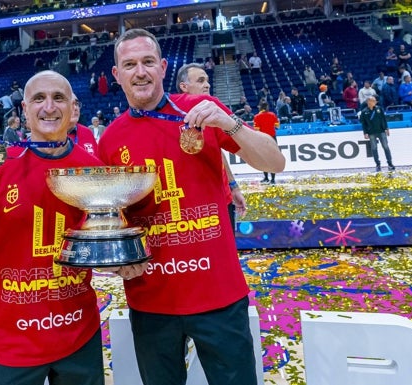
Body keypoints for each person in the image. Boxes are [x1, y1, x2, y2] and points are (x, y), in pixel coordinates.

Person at [100, 28, 285, 385]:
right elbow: (115, 219)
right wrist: (116, 258)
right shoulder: (110, 140)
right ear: (117, 74)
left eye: (148, 62)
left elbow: (274, 163)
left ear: (164, 67)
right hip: (151, 299)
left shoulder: (202, 111)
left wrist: (230, 125)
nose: (140, 71)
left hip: (219, 294)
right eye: (130, 64)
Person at [0, 70, 106, 385]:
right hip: (10, 343)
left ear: (73, 108)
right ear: (24, 110)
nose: (49, 107)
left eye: (58, 98)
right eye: (38, 99)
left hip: (79, 337)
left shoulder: (94, 170)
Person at [176, 62, 247, 231]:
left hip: (222, 198)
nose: (207, 85)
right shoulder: (172, 117)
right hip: (192, 205)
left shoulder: (212, 114)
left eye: (207, 80)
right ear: (184, 86)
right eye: (201, 81)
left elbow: (218, 153)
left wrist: (233, 186)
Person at [360, 95, 395, 172]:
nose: (375, 102)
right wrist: (365, 133)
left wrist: (387, 128)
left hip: (381, 131)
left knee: (386, 147)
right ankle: (378, 164)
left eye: (375, 101)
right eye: (373, 101)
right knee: (374, 148)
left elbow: (384, 119)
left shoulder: (379, 109)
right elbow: (363, 124)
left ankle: (390, 163)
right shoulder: (364, 112)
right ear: (369, 102)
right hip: (371, 132)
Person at [253, 101, 280, 185]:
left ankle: (266, 177)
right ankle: (273, 179)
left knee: (263, 158)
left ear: (260, 107)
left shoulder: (257, 117)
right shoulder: (272, 115)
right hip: (272, 138)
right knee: (273, 158)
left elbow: (256, 130)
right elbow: (277, 126)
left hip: (262, 138)